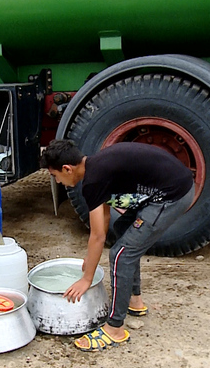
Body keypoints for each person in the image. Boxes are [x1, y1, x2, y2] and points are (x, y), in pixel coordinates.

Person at [40, 139, 195, 352]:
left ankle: (115, 329)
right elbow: (101, 223)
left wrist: (87, 279)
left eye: (55, 175)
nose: (57, 182)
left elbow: (97, 237)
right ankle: (135, 300)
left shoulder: (94, 179)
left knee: (121, 254)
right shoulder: (96, 168)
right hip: (167, 188)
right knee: (124, 228)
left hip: (172, 196)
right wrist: (90, 258)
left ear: (67, 168)